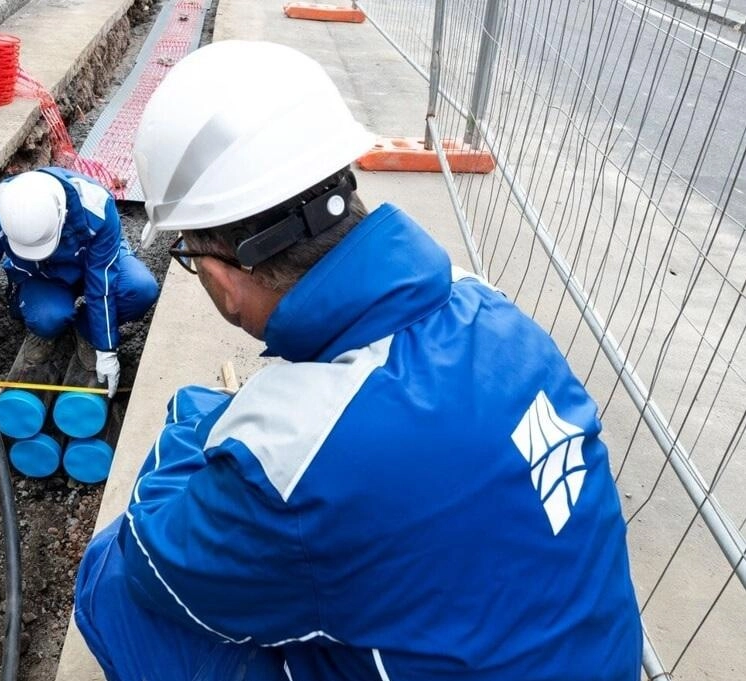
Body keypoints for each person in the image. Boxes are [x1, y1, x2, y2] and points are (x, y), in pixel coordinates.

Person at [73, 40, 642, 681]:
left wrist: (184, 431)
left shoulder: (303, 452)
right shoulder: (488, 307)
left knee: (112, 582)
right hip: (593, 657)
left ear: (218, 274)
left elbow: (154, 565)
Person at [0, 168, 159, 397]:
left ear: (62, 214)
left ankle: (87, 331)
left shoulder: (95, 207)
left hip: (95, 260)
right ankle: (48, 327)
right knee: (47, 319)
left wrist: (105, 346)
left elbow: (102, 282)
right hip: (40, 274)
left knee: (140, 290)